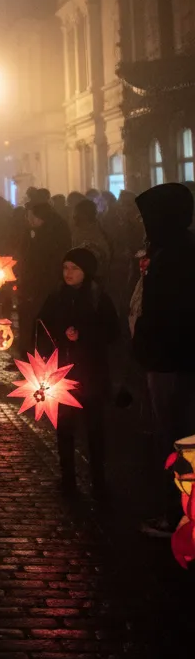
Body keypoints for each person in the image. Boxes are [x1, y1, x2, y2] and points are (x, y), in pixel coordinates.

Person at [133, 183, 195, 537]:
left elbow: (164, 312)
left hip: (171, 361)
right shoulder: (177, 249)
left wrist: (144, 338)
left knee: (176, 439)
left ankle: (177, 516)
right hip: (177, 357)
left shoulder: (173, 256)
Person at [35, 248, 118, 499]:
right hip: (62, 374)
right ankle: (67, 477)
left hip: (90, 372)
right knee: (65, 427)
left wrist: (83, 334)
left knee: (94, 429)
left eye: (75, 268)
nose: (68, 273)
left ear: (87, 272)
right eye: (65, 267)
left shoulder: (98, 297)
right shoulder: (56, 296)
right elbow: (41, 326)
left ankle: (98, 479)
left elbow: (112, 332)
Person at [19, 202, 73, 354]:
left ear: (40, 217)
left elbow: (42, 262)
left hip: (44, 284)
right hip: (35, 283)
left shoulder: (51, 234)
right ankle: (31, 352)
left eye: (31, 216)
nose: (28, 219)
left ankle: (41, 354)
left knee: (42, 318)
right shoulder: (34, 231)